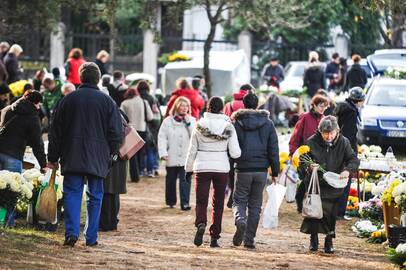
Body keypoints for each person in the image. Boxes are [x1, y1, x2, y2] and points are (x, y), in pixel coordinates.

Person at [48, 62, 123, 247]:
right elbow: (116, 132)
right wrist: (112, 153)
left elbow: (55, 131)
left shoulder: (68, 99)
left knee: (72, 194)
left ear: (80, 77)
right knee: (95, 196)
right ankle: (91, 237)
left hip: (71, 154)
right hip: (98, 156)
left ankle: (71, 233)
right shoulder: (108, 102)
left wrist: (52, 157)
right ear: (98, 78)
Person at [297, 116, 359, 253]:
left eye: (332, 133)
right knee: (314, 213)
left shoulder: (344, 142)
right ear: (320, 131)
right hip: (316, 184)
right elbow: (302, 163)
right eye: (326, 133)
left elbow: (353, 159)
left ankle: (329, 240)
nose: (329, 136)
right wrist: (309, 167)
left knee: (330, 214)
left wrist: (347, 171)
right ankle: (313, 238)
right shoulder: (311, 142)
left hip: (334, 184)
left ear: (337, 131)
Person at [185, 97, 241, 248]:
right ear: (222, 108)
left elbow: (192, 150)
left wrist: (188, 169)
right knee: (218, 204)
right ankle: (214, 237)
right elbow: (235, 153)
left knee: (201, 201)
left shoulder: (199, 125)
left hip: (202, 166)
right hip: (221, 168)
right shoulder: (228, 126)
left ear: (208, 107)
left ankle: (201, 223)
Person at [231, 93, 279, 249]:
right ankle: (249, 239)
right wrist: (275, 171)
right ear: (258, 104)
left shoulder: (237, 122)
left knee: (239, 200)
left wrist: (231, 165)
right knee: (255, 205)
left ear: (243, 104)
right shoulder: (268, 123)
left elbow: (232, 146)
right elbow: (273, 149)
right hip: (261, 170)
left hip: (243, 168)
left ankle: (240, 220)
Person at [0, 90, 47, 227]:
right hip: (13, 156)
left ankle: (1, 220)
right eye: (39, 105)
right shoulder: (32, 118)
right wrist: (43, 164)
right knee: (12, 191)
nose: (39, 108)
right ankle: (9, 222)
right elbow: (37, 144)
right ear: (36, 103)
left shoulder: (7, 109)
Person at [158, 96, 196, 210]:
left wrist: (188, 124)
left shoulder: (192, 120)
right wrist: (163, 152)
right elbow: (162, 137)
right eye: (182, 106)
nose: (184, 108)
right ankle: (170, 201)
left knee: (185, 180)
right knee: (170, 179)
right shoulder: (167, 121)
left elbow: (195, 137)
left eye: (186, 106)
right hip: (171, 154)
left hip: (186, 156)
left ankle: (185, 203)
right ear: (176, 107)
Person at [334, 87, 365, 220]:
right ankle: (340, 212)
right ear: (359, 101)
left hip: (337, 147)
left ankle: (334, 210)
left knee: (338, 179)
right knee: (345, 180)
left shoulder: (343, 108)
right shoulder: (352, 112)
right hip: (346, 150)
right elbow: (350, 134)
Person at [99, 111, 128, 232]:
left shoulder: (110, 115)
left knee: (107, 191)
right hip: (119, 157)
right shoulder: (119, 114)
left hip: (113, 157)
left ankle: (107, 222)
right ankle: (111, 221)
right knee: (113, 191)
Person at [120, 81, 153, 182]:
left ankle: (134, 173)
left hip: (130, 130)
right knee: (141, 151)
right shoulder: (144, 102)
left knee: (131, 153)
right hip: (142, 128)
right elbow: (150, 117)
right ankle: (140, 170)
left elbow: (121, 117)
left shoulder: (124, 103)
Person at [136, 80, 161, 177]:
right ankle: (151, 170)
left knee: (141, 151)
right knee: (150, 149)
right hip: (151, 127)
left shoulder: (137, 98)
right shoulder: (152, 98)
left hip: (139, 127)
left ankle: (141, 170)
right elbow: (157, 113)